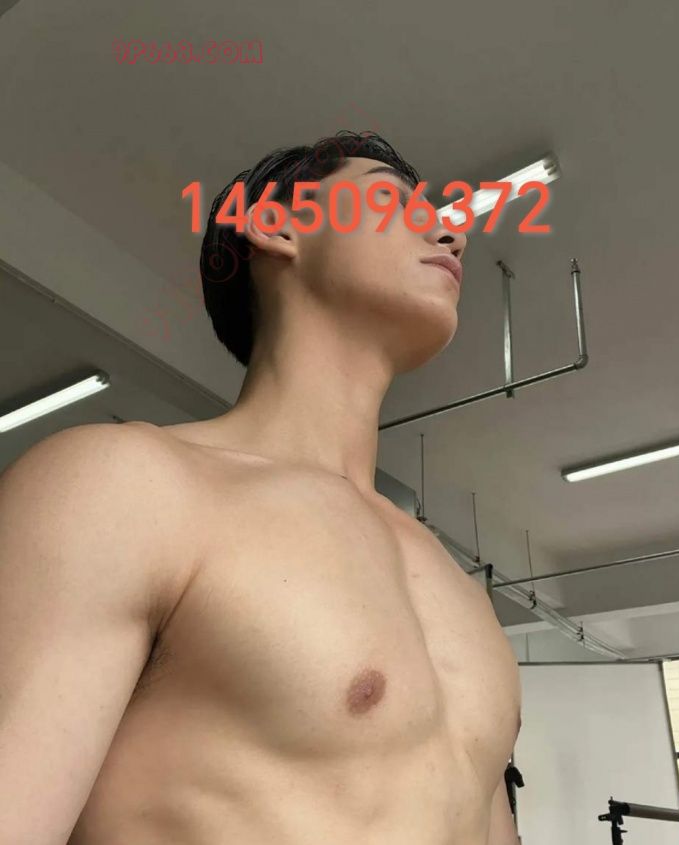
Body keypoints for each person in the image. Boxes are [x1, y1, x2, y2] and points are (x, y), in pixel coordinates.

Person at [0, 130, 522, 845]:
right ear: (278, 225)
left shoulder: (460, 590)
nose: (450, 232)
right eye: (390, 197)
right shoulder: (120, 487)